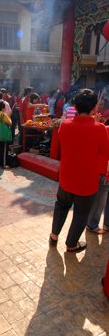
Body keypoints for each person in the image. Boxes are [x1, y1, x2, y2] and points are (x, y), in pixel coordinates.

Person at [50, 89, 109, 252]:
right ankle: (71, 244)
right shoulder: (100, 129)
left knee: (61, 206)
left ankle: (54, 236)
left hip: (66, 175)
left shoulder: (64, 125)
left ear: (75, 107)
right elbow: (105, 152)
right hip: (86, 179)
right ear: (94, 108)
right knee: (81, 213)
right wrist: (98, 124)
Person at [0, 100, 12, 168]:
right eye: (4, 107)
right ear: (2, 108)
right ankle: (4, 164)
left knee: (0, 149)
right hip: (3, 135)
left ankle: (0, 163)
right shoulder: (3, 114)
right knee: (4, 150)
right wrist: (9, 117)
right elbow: (10, 123)